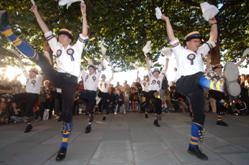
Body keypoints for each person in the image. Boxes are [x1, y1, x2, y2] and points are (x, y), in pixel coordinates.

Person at [0, 0, 88, 161]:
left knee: (67, 112)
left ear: (69, 38)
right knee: (40, 60)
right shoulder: (55, 46)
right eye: (59, 35)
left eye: (63, 35)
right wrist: (36, 13)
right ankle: (7, 31)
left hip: (71, 82)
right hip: (58, 76)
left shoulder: (76, 48)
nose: (60, 36)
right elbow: (45, 28)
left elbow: (84, 33)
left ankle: (63, 146)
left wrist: (83, 13)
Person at [160, 11, 240, 160]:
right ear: (188, 42)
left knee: (200, 116)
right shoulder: (180, 51)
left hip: (196, 86)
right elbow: (172, 36)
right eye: (195, 41)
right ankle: (221, 86)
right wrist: (167, 20)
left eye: (199, 41)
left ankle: (193, 146)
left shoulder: (201, 52)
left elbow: (212, 39)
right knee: (199, 75)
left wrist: (214, 23)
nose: (198, 43)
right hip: (184, 82)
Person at [79, 64, 102, 133]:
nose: (90, 70)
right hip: (86, 92)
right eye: (89, 69)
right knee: (81, 97)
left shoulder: (96, 75)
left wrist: (102, 57)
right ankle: (89, 109)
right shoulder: (85, 75)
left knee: (90, 109)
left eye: (91, 69)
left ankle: (89, 123)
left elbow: (100, 67)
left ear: (94, 70)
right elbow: (80, 67)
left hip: (92, 93)